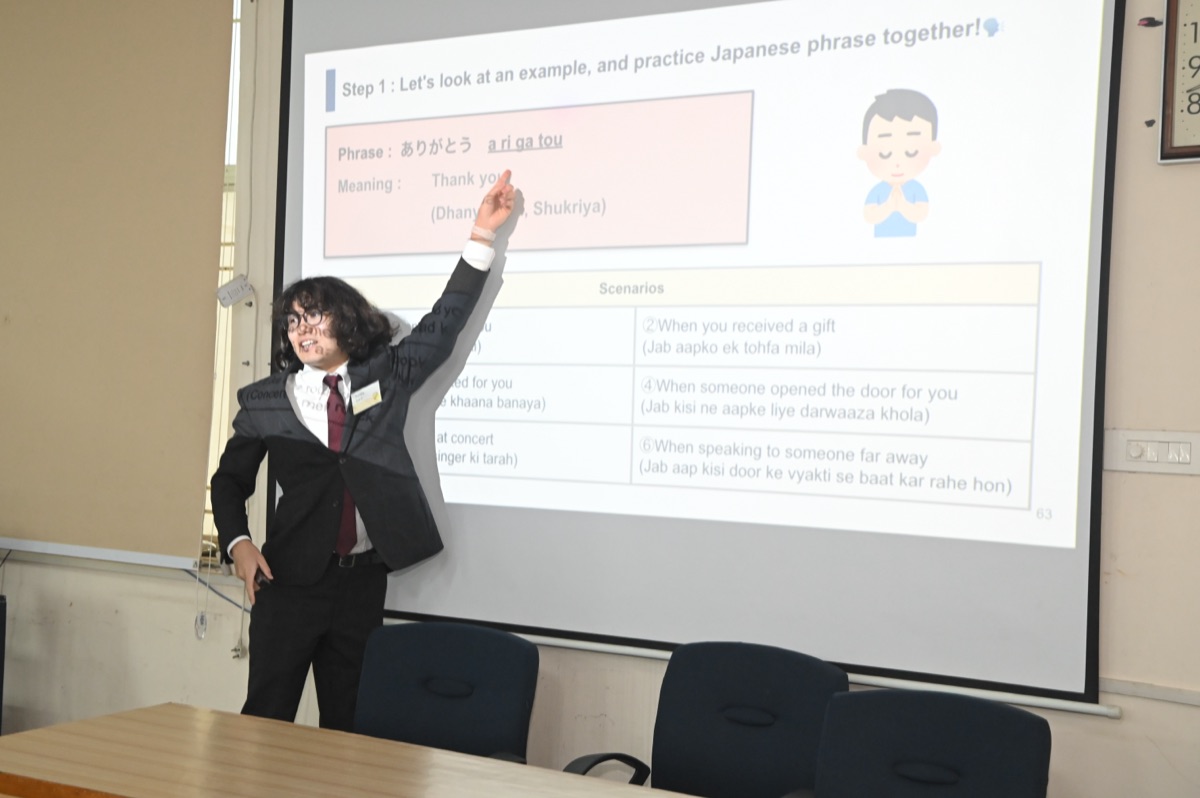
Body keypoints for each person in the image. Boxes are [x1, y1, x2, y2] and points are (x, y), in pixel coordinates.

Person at [210, 171, 516, 730]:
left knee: (350, 730)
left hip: (361, 583)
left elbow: (444, 323)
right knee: (264, 720)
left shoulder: (388, 375)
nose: (302, 330)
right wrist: (237, 545)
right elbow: (228, 482)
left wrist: (481, 235)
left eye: (315, 316)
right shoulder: (264, 401)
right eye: (293, 322)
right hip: (287, 582)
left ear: (347, 321)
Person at [857, 89, 941, 237]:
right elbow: (869, 215)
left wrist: (903, 206)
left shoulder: (916, 189)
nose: (897, 163)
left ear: (933, 148)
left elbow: (921, 214)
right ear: (865, 152)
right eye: (885, 154)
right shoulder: (878, 190)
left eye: (911, 152)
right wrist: (889, 207)